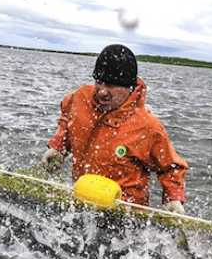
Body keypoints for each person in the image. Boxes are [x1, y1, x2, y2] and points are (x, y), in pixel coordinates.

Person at [42, 44, 188, 211]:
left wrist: (173, 198)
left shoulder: (148, 127)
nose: (102, 92)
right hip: (81, 203)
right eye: (99, 82)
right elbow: (67, 117)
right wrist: (59, 146)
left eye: (111, 85)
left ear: (129, 88)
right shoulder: (80, 98)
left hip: (126, 217)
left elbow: (171, 167)